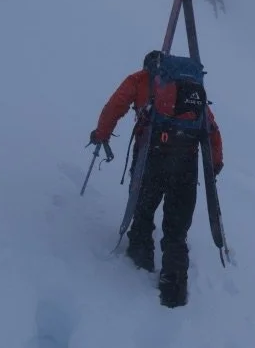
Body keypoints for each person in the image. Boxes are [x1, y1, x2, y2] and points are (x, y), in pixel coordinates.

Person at [89, 50, 224, 307]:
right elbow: (211, 128)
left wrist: (101, 133)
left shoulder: (141, 80)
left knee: (143, 213)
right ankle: (174, 291)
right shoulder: (190, 88)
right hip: (186, 161)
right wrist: (214, 164)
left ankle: (139, 265)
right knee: (176, 229)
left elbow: (115, 105)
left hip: (151, 158)